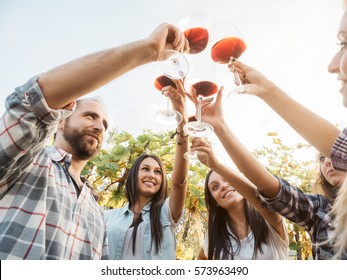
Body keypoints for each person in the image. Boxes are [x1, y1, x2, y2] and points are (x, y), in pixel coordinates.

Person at [0, 22, 189, 260]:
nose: (100, 126)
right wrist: (149, 49)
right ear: (60, 120)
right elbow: (30, 105)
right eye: (90, 116)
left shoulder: (96, 212)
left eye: (105, 124)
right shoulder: (27, 161)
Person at [190, 86, 347, 259]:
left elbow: (262, 191)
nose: (328, 162)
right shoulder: (319, 210)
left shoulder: (267, 222)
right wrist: (218, 133)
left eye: (336, 155)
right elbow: (272, 189)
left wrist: (218, 162)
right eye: (322, 158)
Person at [186, 88, 288, 260]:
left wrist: (216, 165)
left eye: (227, 180)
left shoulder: (270, 221)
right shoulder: (215, 237)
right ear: (215, 202)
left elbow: (259, 196)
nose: (224, 186)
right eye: (215, 187)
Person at [104, 80, 189, 260]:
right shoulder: (107, 217)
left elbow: (180, 182)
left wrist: (181, 120)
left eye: (158, 172)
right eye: (145, 169)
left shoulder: (167, 212)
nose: (152, 175)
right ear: (134, 174)